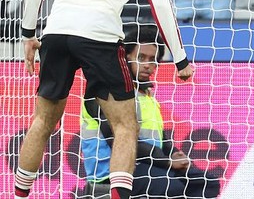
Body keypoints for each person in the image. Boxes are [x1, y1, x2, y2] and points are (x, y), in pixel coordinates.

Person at [15, 0, 194, 199]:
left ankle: (18, 193)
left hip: (56, 32)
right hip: (98, 36)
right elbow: (159, 3)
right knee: (126, 126)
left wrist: (29, 34)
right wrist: (179, 58)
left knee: (42, 121)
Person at [81, 26, 220, 198]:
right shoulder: (106, 92)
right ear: (125, 58)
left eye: (153, 60)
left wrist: (173, 153)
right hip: (114, 170)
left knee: (207, 184)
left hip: (149, 164)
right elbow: (120, 141)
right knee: (173, 188)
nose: (148, 65)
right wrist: (168, 162)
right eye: (141, 57)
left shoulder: (147, 96)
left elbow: (161, 139)